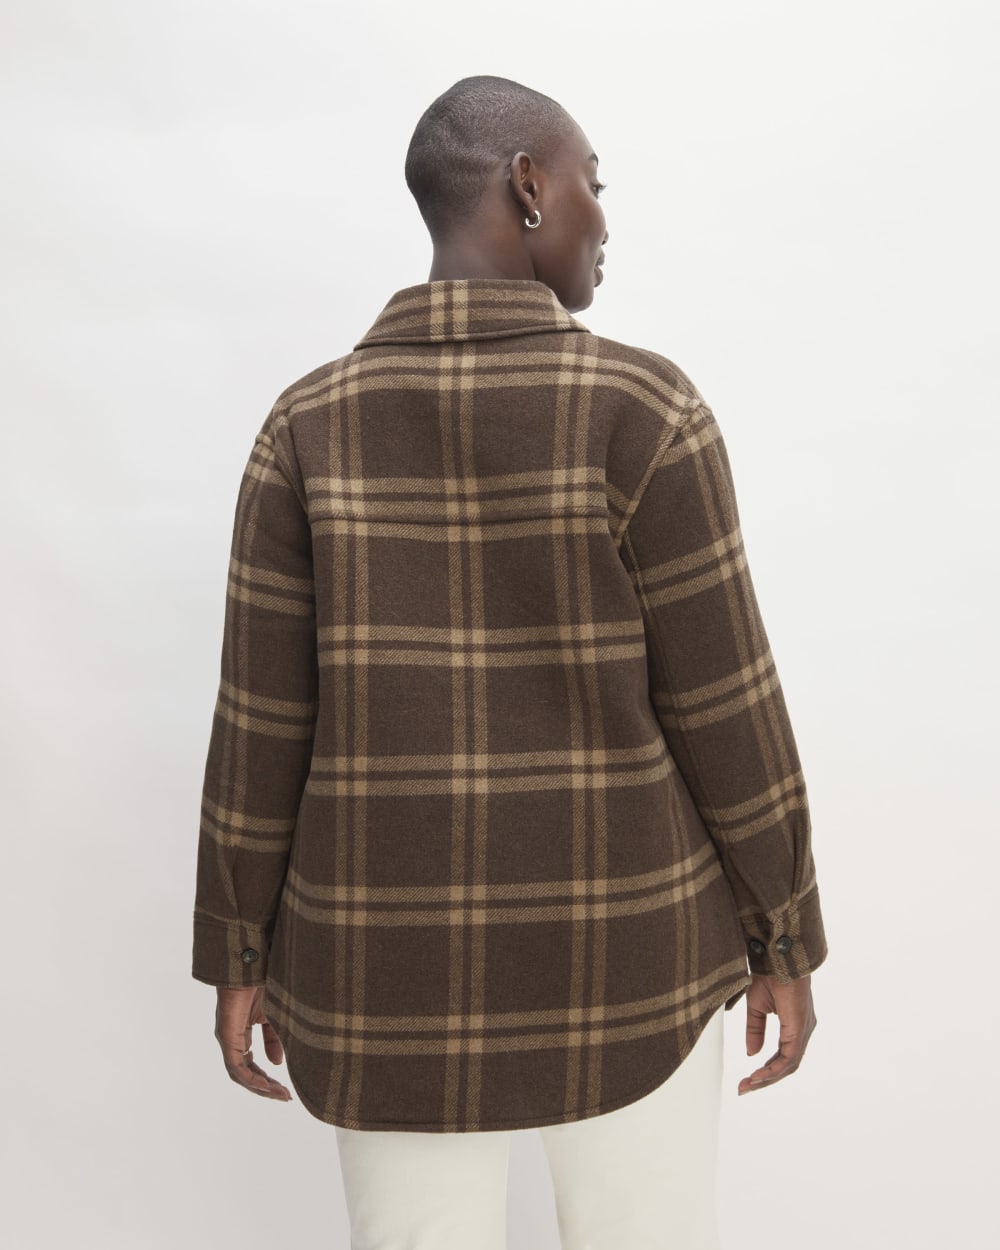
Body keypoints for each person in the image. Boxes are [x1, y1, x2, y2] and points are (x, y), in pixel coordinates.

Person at [191, 75, 827, 1249]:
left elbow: (260, 725)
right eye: (592, 183)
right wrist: (783, 933)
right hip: (628, 950)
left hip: (382, 967)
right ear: (528, 185)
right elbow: (725, 703)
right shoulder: (644, 408)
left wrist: (239, 949)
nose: (602, 218)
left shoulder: (305, 427)